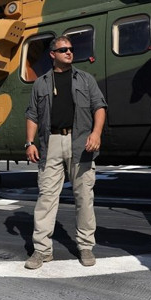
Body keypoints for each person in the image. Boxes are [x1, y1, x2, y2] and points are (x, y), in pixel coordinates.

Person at [24, 35, 107, 270]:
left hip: (80, 142)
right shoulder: (40, 83)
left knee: (84, 197)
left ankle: (85, 246)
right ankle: (41, 250)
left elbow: (99, 107)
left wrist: (96, 133)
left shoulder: (85, 79)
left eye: (70, 49)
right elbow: (31, 115)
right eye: (63, 50)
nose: (69, 52)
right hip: (50, 143)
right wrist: (29, 143)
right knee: (46, 198)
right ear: (53, 55)